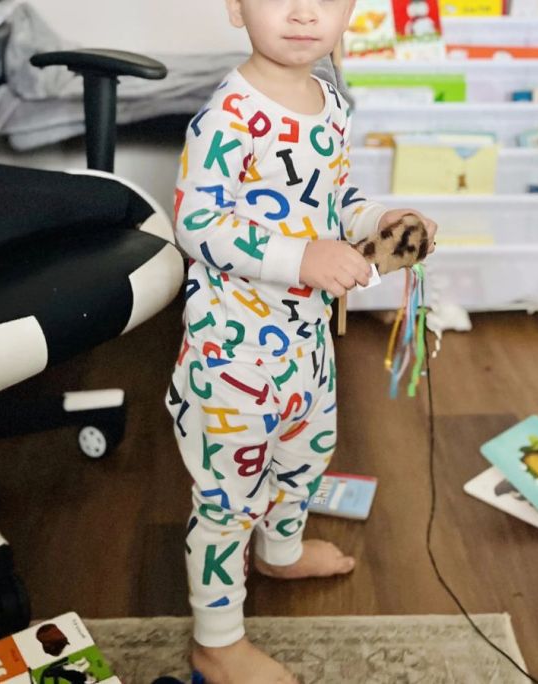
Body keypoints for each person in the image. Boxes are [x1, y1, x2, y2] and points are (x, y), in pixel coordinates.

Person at [166, 1, 437, 681]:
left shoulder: (331, 100)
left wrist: (383, 217)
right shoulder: (227, 115)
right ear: (235, 7)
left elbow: (335, 196)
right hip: (234, 356)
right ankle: (217, 642)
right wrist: (299, 259)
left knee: (304, 457)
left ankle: (280, 553)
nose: (303, 11)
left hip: (305, 345)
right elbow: (197, 224)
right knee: (228, 500)